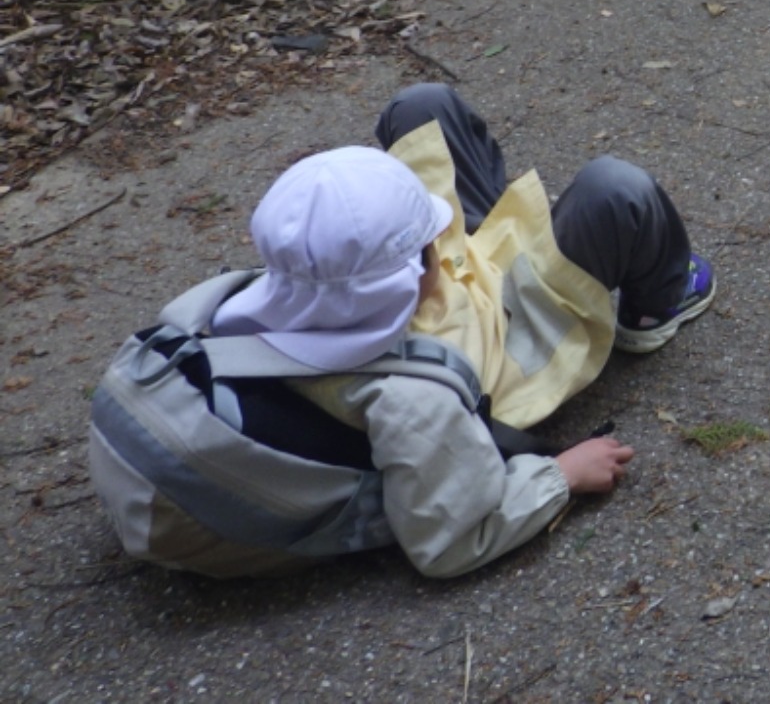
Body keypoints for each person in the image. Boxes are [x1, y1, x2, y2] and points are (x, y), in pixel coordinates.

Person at [102, 84, 715, 578]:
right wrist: (564, 475)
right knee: (617, 190)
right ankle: (655, 309)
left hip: (410, 308)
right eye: (429, 241)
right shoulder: (417, 401)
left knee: (422, 107)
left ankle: (467, 225)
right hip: (502, 327)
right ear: (409, 275)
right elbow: (449, 541)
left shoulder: (237, 305)